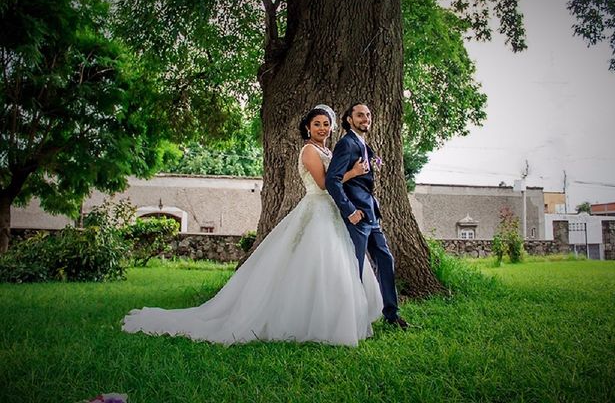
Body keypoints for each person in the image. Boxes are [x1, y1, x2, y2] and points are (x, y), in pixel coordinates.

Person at [122, 106, 383, 346]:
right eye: (317, 124)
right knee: (316, 261)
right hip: (316, 209)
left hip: (332, 212)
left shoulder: (329, 150)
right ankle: (302, 321)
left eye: (326, 124)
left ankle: (329, 317)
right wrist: (353, 173)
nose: (322, 129)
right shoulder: (309, 151)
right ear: (308, 128)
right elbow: (325, 184)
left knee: (332, 265)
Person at [325, 103, 408, 329]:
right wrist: (349, 210)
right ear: (349, 120)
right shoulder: (346, 143)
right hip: (357, 215)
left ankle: (391, 314)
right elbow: (332, 180)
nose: (366, 119)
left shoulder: (363, 144)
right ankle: (349, 320)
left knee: (385, 259)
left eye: (368, 115)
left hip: (372, 215)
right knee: (356, 266)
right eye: (360, 115)